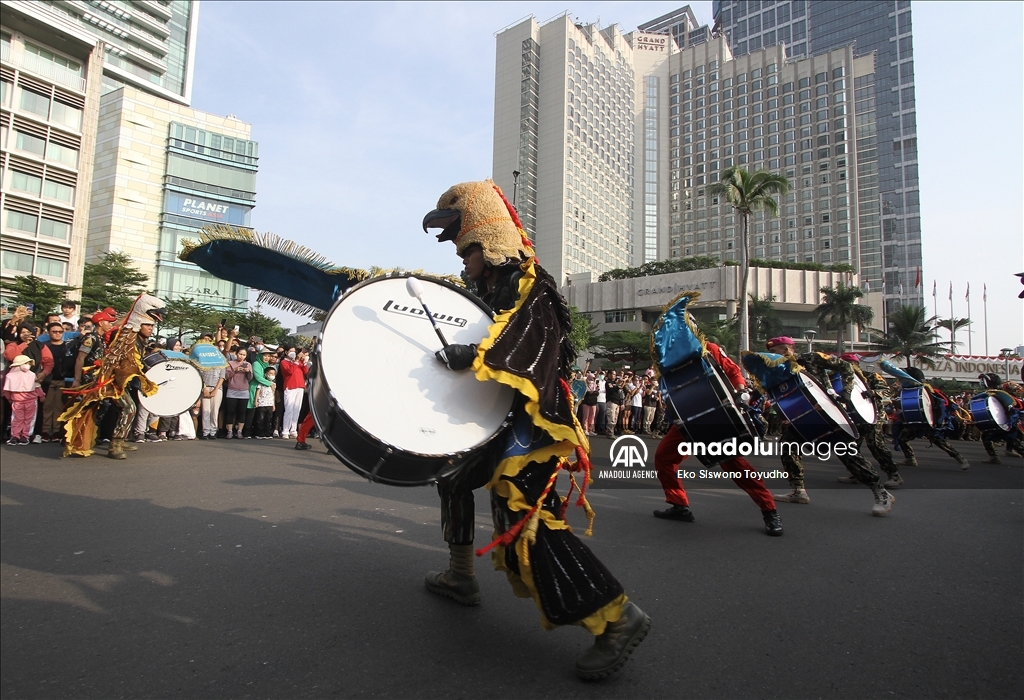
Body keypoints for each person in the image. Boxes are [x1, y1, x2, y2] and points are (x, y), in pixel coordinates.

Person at [423, 180, 648, 680]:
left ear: (485, 243)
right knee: (453, 477)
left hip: (533, 426)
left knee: (524, 520)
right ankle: (462, 577)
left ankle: (616, 617)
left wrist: (474, 356)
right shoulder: (485, 289)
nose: (461, 261)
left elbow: (529, 345)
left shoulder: (531, 282)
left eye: (465, 250)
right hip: (499, 417)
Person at [653, 338, 784, 536]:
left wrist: (741, 391)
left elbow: (732, 371)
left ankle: (769, 510)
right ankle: (679, 505)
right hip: (687, 419)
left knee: (734, 465)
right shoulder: (666, 358)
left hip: (715, 416)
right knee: (664, 457)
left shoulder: (708, 348)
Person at [757, 337, 895, 516]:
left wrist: (847, 391)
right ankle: (798, 490)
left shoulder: (811, 358)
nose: (773, 355)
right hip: (802, 418)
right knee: (788, 446)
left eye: (775, 351)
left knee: (848, 454)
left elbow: (845, 367)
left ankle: (881, 493)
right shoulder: (779, 371)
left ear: (786, 349)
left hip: (829, 413)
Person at [61, 294, 166, 459]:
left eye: (152, 326)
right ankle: (114, 445)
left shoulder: (137, 338)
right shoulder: (126, 336)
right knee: (126, 408)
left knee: (109, 409)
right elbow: (84, 358)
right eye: (148, 326)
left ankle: (115, 439)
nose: (151, 329)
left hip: (120, 380)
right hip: (110, 380)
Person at [834, 353, 902, 487]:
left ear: (856, 365)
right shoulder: (839, 380)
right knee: (848, 447)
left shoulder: (870, 376)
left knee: (876, 446)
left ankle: (894, 475)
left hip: (874, 416)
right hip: (853, 417)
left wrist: (874, 393)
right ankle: (857, 474)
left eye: (849, 364)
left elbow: (887, 391)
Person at [891, 366, 970, 470]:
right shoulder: (908, 391)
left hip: (929, 421)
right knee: (902, 438)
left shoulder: (927, 390)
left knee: (939, 441)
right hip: (914, 419)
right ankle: (910, 459)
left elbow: (941, 405)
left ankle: (961, 458)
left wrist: (937, 421)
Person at [976, 373, 1024, 464]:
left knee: (1014, 442)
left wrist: (1011, 417)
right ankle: (994, 457)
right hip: (1001, 422)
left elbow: (1015, 406)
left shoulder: (1001, 394)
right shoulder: (991, 394)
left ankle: (998, 455)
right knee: (986, 436)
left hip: (1010, 422)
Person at [39, 322, 73, 442]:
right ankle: (45, 431)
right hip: (47, 380)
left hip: (62, 381)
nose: (58, 334)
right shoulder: (43, 346)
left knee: (59, 407)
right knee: (47, 407)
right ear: (48, 332)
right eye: (54, 331)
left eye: (60, 332)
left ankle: (57, 431)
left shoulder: (67, 346)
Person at [4, 356, 43, 445]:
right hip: (27, 401)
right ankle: (21, 436)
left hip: (21, 401)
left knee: (20, 419)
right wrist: (41, 396)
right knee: (24, 419)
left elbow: (7, 391)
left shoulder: (11, 376)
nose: (28, 365)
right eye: (26, 363)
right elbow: (37, 387)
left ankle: (20, 436)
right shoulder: (30, 375)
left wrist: (10, 399)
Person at [279, 346, 309, 438]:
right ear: (286, 352)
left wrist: (303, 362)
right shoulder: (284, 362)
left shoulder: (298, 362)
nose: (293, 353)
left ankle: (293, 429)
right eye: (290, 351)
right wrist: (296, 361)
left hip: (300, 386)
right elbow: (289, 371)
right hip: (290, 387)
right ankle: (285, 430)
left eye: (294, 351)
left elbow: (305, 371)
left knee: (297, 409)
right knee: (289, 409)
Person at [223, 348, 252, 439]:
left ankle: (239, 431)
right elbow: (226, 376)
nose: (241, 356)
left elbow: (250, 378)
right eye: (240, 354)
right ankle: (230, 431)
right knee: (230, 411)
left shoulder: (248, 364)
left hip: (244, 390)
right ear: (236, 354)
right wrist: (234, 370)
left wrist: (248, 371)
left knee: (242, 412)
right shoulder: (230, 363)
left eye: (244, 355)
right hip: (232, 389)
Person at [253, 365, 277, 438]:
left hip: (269, 403)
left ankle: (267, 433)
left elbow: (273, 394)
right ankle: (260, 433)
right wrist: (256, 401)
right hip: (261, 403)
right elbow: (258, 392)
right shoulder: (261, 382)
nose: (272, 375)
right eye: (270, 373)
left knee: (268, 419)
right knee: (260, 419)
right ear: (266, 374)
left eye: (273, 374)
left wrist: (273, 404)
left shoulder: (274, 384)